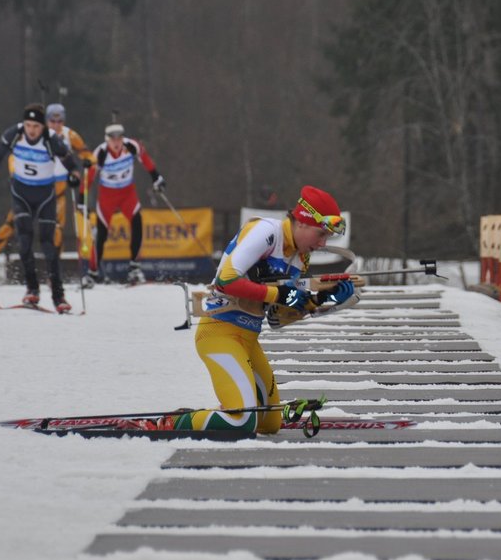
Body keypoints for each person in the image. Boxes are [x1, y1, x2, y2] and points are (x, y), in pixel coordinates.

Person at [169, 186, 356, 434]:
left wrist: (320, 299)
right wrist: (278, 293)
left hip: (248, 339)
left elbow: (277, 318)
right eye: (320, 234)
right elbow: (227, 280)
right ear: (302, 222)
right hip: (219, 333)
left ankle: (218, 413)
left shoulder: (301, 257)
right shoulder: (267, 232)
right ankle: (170, 423)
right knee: (243, 422)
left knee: (269, 424)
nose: (322, 244)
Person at [0, 103, 93, 278]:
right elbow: (13, 156)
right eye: (52, 120)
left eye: (59, 120)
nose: (56, 124)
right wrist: (12, 175)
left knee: (55, 233)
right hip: (31, 189)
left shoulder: (69, 135)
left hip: (57, 194)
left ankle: (52, 273)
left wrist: (87, 162)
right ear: (46, 120)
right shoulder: (34, 134)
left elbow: (86, 154)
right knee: (9, 227)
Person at [0, 103, 82, 313]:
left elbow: (71, 162)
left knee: (49, 245)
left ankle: (58, 296)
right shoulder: (15, 133)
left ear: (42, 127)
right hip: (21, 195)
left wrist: (74, 176)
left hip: (46, 197)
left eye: (35, 126)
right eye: (28, 125)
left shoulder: (50, 140)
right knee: (25, 241)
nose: (31, 130)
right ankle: (32, 289)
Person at [86, 123, 165, 285]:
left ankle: (134, 268)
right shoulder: (100, 153)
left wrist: (156, 177)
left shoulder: (131, 146)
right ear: (107, 140)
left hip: (127, 193)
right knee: (101, 233)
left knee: (137, 223)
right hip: (107, 195)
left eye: (119, 139)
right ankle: (92, 272)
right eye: (112, 140)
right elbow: (89, 177)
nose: (116, 143)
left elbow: (146, 159)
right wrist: (81, 197)